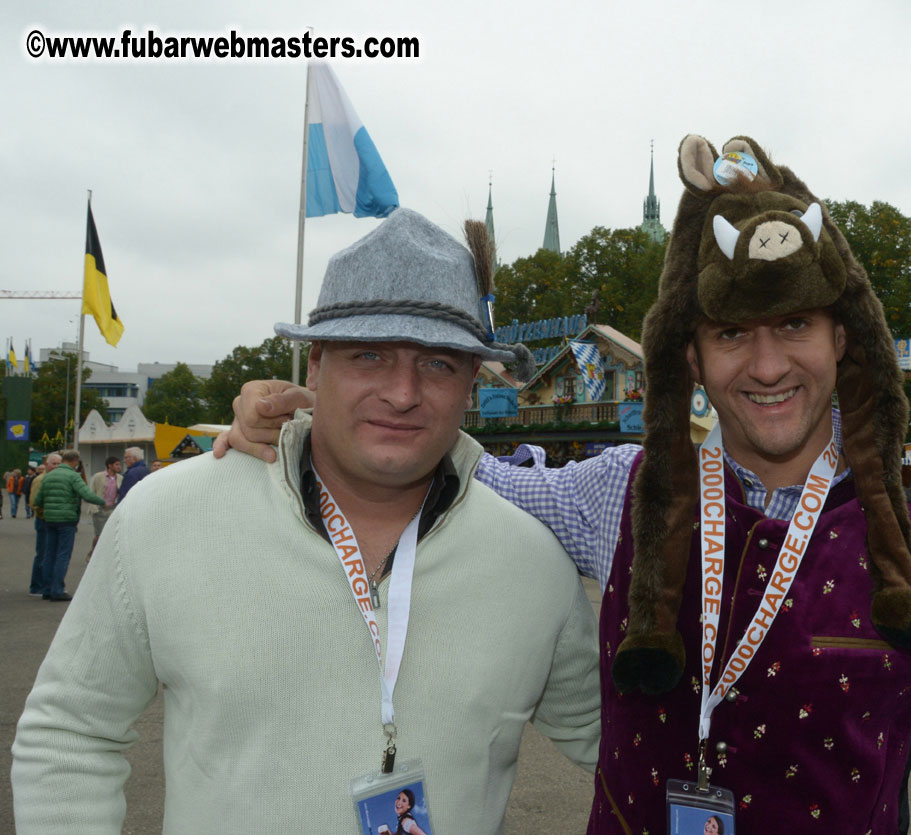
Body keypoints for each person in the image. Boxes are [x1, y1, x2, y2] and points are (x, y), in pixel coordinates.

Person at [218, 137, 911, 835]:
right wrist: (308, 420)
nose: (767, 364)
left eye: (795, 324)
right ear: (690, 354)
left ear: (842, 337)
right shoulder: (620, 492)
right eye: (733, 334)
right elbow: (442, 462)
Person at [12, 209, 600, 832]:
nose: (402, 392)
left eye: (438, 363)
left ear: (472, 383)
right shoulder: (168, 518)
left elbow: (625, 746)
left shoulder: (534, 562)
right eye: (370, 355)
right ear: (315, 365)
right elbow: (70, 734)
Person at [29, 450, 103, 601]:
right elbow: (87, 495)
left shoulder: (48, 476)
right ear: (75, 462)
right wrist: (104, 502)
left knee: (49, 554)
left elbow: (38, 500)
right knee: (63, 555)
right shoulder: (73, 476)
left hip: (50, 520)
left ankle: (47, 589)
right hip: (66, 521)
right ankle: (57, 589)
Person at [26, 458, 56, 597]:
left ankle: (47, 584)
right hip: (43, 520)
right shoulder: (40, 480)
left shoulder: (54, 478)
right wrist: (44, 512)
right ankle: (36, 585)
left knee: (50, 553)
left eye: (58, 464)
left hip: (52, 520)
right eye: (53, 463)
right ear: (46, 465)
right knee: (43, 553)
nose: (56, 466)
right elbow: (33, 502)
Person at [87, 456, 123, 558]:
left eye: (119, 464)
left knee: (110, 534)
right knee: (99, 535)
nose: (119, 466)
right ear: (109, 465)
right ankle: (93, 553)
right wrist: (94, 508)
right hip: (100, 509)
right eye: (116, 464)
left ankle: (105, 556)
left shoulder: (120, 478)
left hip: (113, 509)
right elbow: (91, 492)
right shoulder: (98, 476)